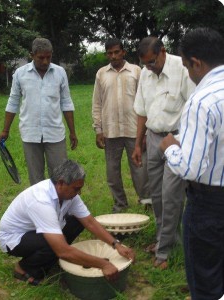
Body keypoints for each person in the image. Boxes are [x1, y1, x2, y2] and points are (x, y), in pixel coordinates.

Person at [160, 27, 224, 300]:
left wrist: (171, 148)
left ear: (196, 62)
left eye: (186, 66)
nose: (188, 73)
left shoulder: (202, 101)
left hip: (210, 205)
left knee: (206, 279)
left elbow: (191, 168)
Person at [0, 159, 135, 285]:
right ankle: (23, 268)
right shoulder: (40, 200)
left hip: (36, 231)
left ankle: (50, 258)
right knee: (56, 245)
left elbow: (89, 222)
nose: (79, 193)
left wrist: (116, 245)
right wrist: (103, 264)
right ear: (61, 183)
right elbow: (63, 251)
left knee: (77, 221)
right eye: (76, 189)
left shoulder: (69, 194)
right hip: (15, 239)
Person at [132, 37, 195, 269]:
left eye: (152, 62)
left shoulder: (182, 69)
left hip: (176, 139)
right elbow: (141, 111)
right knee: (156, 195)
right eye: (145, 64)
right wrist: (138, 144)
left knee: (171, 196)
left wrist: (180, 141)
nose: (149, 67)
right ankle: (165, 239)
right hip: (153, 137)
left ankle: (165, 252)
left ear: (162, 52)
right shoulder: (145, 74)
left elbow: (194, 107)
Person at [0, 38, 78, 185]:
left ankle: (60, 207)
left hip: (55, 134)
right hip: (30, 134)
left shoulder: (60, 73)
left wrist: (72, 132)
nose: (45, 61)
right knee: (36, 179)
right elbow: (13, 102)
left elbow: (66, 102)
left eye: (48, 57)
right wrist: (5, 131)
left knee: (61, 177)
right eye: (41, 58)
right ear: (32, 55)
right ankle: (40, 207)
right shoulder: (20, 74)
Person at [92, 38, 150, 213]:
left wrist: (145, 132)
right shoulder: (101, 73)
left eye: (117, 52)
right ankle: (120, 203)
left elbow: (145, 101)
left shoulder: (136, 71)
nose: (114, 56)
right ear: (106, 54)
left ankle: (146, 201)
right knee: (112, 172)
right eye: (110, 53)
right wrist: (98, 129)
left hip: (134, 130)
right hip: (111, 131)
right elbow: (97, 103)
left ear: (123, 52)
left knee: (139, 169)